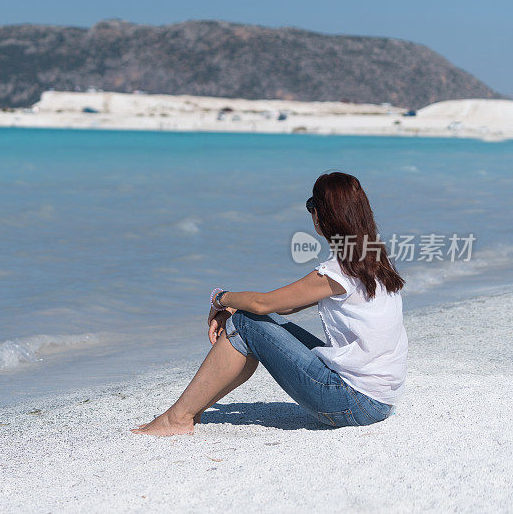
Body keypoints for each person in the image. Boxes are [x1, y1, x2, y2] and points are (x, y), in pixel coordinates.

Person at [133, 172, 407, 436]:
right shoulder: (374, 259)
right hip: (379, 399)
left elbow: (262, 304)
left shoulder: (341, 270)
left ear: (325, 214)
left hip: (352, 402)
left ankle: (177, 417)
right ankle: (192, 410)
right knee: (249, 318)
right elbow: (284, 307)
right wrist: (235, 306)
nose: (311, 213)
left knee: (247, 321)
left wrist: (219, 298)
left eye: (312, 205)